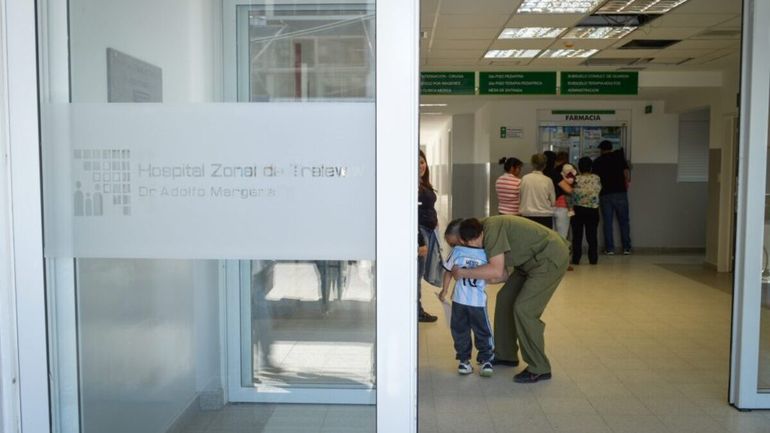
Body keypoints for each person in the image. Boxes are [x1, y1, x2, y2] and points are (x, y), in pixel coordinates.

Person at [449, 215, 569, 383]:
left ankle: (539, 367)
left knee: (524, 309)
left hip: (548, 257)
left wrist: (463, 273)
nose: (459, 249)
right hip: (526, 263)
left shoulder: (491, 230)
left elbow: (496, 271)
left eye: (456, 244)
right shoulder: (479, 235)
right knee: (504, 299)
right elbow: (503, 274)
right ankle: (506, 355)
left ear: (464, 237)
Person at [439, 218, 494, 377]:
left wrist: (444, 290)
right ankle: (486, 361)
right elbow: (493, 275)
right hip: (478, 302)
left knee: (460, 330)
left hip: (459, 301)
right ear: (481, 234)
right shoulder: (486, 253)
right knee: (483, 330)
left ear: (461, 239)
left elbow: (448, 271)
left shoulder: (457, 251)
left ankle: (464, 361)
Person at [592, 140, 632, 255]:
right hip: (620, 193)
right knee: (624, 221)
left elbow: (595, 179)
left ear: (601, 150)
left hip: (605, 194)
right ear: (611, 148)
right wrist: (625, 182)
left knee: (607, 223)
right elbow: (627, 175)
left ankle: (610, 249)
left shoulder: (597, 161)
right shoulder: (619, 158)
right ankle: (627, 248)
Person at [418, 150, 441, 322]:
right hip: (420, 233)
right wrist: (420, 242)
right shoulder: (411, 185)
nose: (421, 166)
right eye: (416, 162)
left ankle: (416, 309)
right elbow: (411, 215)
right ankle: (416, 310)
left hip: (429, 231)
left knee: (420, 273)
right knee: (416, 274)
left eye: (422, 162)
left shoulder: (423, 184)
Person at [570, 157, 602, 265]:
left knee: (577, 236)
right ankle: (593, 259)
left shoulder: (576, 179)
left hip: (578, 209)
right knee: (592, 236)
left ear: (579, 167)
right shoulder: (596, 178)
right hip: (593, 210)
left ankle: (576, 259)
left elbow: (570, 191)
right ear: (591, 167)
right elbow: (599, 190)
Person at [519, 153, 555, 228]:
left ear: (532, 164)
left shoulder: (525, 178)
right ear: (545, 165)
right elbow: (553, 201)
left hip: (527, 216)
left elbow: (520, 196)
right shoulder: (548, 180)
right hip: (545, 217)